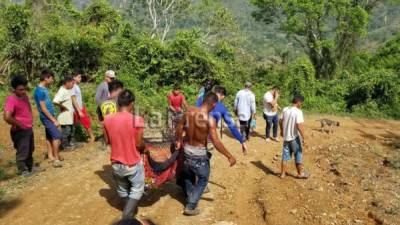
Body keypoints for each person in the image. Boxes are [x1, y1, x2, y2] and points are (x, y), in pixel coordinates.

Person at [175, 92, 236, 216]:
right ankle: (191, 205)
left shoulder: (189, 112)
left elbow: (179, 128)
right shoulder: (210, 119)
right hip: (199, 155)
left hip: (186, 151)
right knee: (203, 179)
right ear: (213, 104)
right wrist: (229, 156)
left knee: (187, 176)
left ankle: (190, 196)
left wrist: (178, 141)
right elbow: (216, 141)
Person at [103, 90, 145, 219]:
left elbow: (107, 141)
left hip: (116, 164)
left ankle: (129, 212)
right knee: (137, 189)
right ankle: (127, 215)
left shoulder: (107, 120)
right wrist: (144, 149)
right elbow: (139, 144)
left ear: (118, 103)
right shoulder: (137, 120)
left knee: (122, 189)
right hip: (132, 163)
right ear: (131, 103)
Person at [196, 85, 247, 154]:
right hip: (209, 140)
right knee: (205, 161)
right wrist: (242, 141)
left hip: (194, 136)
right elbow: (231, 126)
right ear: (222, 96)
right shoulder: (222, 107)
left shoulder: (200, 99)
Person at [3, 76, 35, 176]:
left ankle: (29, 168)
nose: (23, 91)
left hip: (28, 128)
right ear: (14, 89)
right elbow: (7, 117)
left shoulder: (24, 97)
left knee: (30, 148)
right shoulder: (11, 100)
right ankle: (22, 170)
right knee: (23, 150)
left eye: (24, 89)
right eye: (21, 89)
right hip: (19, 130)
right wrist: (18, 124)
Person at [34, 69, 63, 168]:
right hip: (46, 117)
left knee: (49, 136)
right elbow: (43, 108)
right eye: (51, 78)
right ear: (46, 78)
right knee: (57, 136)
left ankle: (50, 155)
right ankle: (56, 158)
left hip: (50, 115)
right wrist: (53, 119)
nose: (52, 80)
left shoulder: (44, 88)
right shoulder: (39, 91)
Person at [279, 95, 309, 179]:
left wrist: (281, 131)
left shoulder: (285, 109)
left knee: (285, 156)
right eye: (301, 103)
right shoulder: (298, 112)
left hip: (286, 138)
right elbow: (299, 126)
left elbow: (280, 121)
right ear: (298, 102)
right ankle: (300, 173)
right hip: (294, 138)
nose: (301, 104)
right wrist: (304, 138)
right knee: (298, 154)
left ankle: (282, 174)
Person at [53, 77, 77, 151]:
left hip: (68, 115)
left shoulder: (67, 90)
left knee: (70, 130)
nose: (72, 85)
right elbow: (55, 101)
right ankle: (65, 146)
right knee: (65, 132)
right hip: (64, 116)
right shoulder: (62, 91)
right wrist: (63, 107)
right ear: (67, 83)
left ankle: (69, 144)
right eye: (71, 83)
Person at [71, 70, 95, 142]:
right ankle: (71, 139)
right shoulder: (72, 86)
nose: (80, 78)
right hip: (76, 109)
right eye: (79, 77)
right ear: (74, 78)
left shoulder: (76, 86)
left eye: (80, 77)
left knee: (86, 122)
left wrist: (82, 105)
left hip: (80, 107)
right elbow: (73, 100)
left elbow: (78, 98)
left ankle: (92, 137)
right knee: (73, 124)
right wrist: (79, 110)